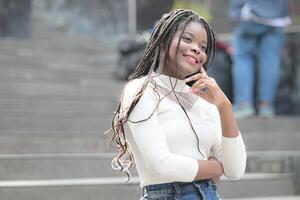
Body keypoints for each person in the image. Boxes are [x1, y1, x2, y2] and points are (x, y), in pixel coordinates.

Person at [108, 9, 247, 199]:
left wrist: (225, 106)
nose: (197, 49)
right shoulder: (140, 90)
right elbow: (161, 165)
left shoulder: (204, 100)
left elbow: (236, 169)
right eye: (187, 39)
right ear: (164, 40)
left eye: (203, 47)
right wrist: (215, 167)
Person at [229, 0, 291, 118]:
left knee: (243, 57)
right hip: (277, 17)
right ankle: (266, 105)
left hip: (251, 13)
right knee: (270, 61)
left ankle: (244, 104)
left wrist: (236, 10)